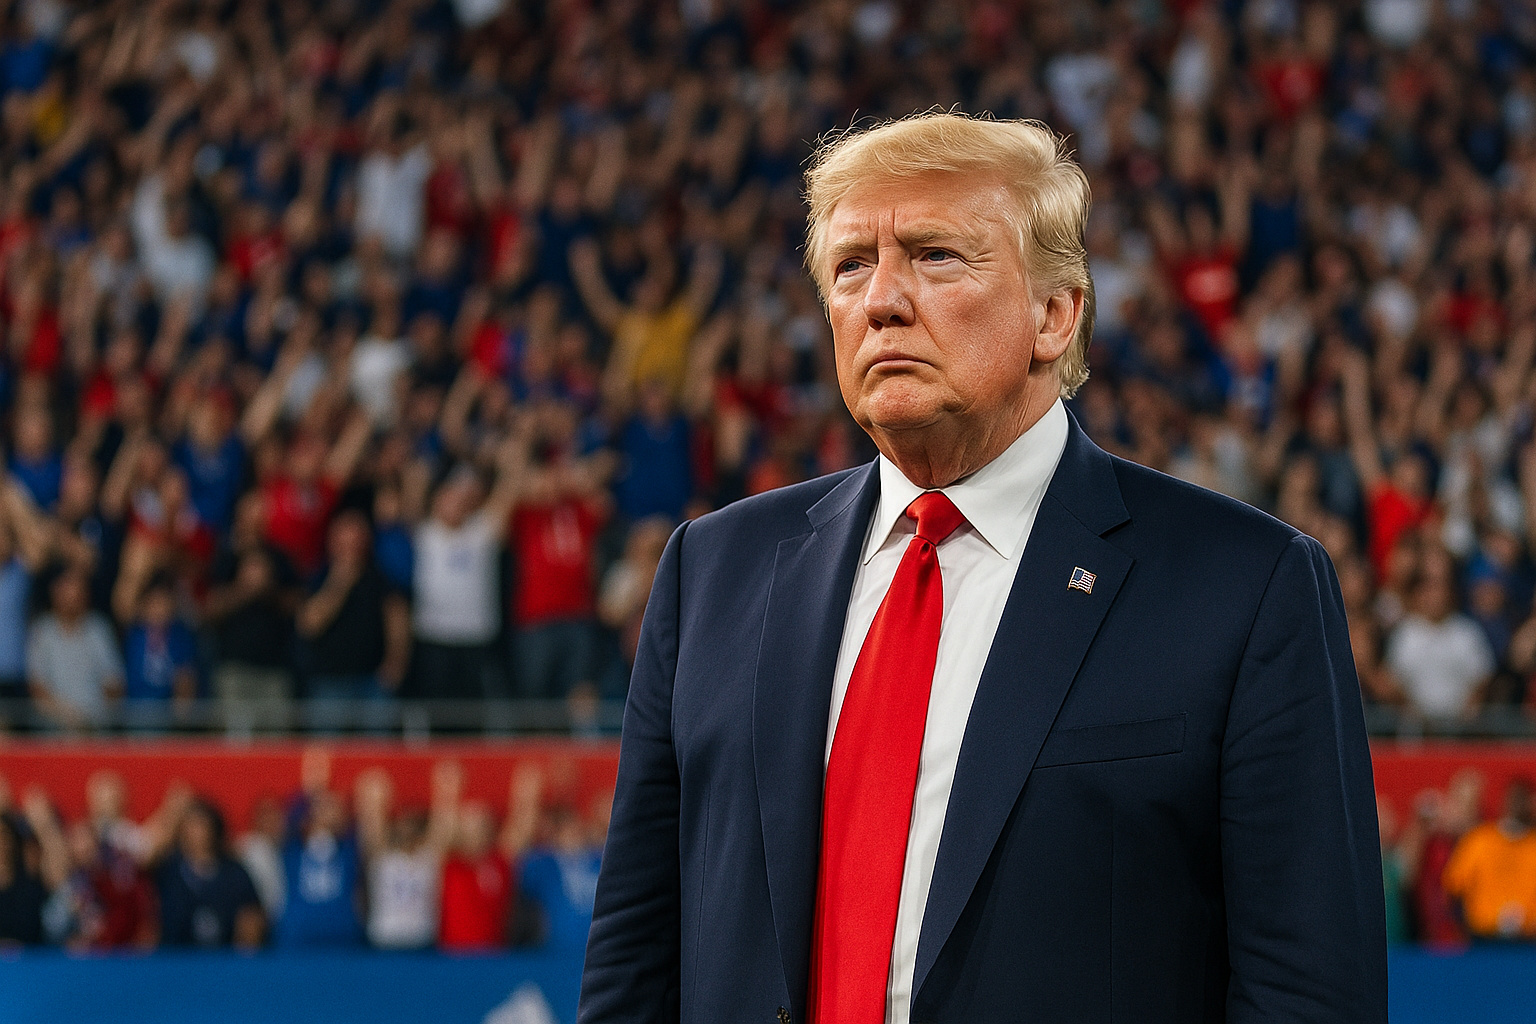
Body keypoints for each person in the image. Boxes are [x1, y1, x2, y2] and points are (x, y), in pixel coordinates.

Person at [579, 114, 1386, 1024]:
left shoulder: (1246, 586)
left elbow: (1309, 995)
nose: (880, 299)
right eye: (850, 265)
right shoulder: (712, 572)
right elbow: (633, 967)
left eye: (934, 256)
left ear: (1054, 314)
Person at [1442, 777, 1536, 940]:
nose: (1520, 805)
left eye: (1525, 799)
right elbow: (1453, 887)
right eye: (1515, 798)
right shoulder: (1479, 840)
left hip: (1528, 941)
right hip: (1483, 939)